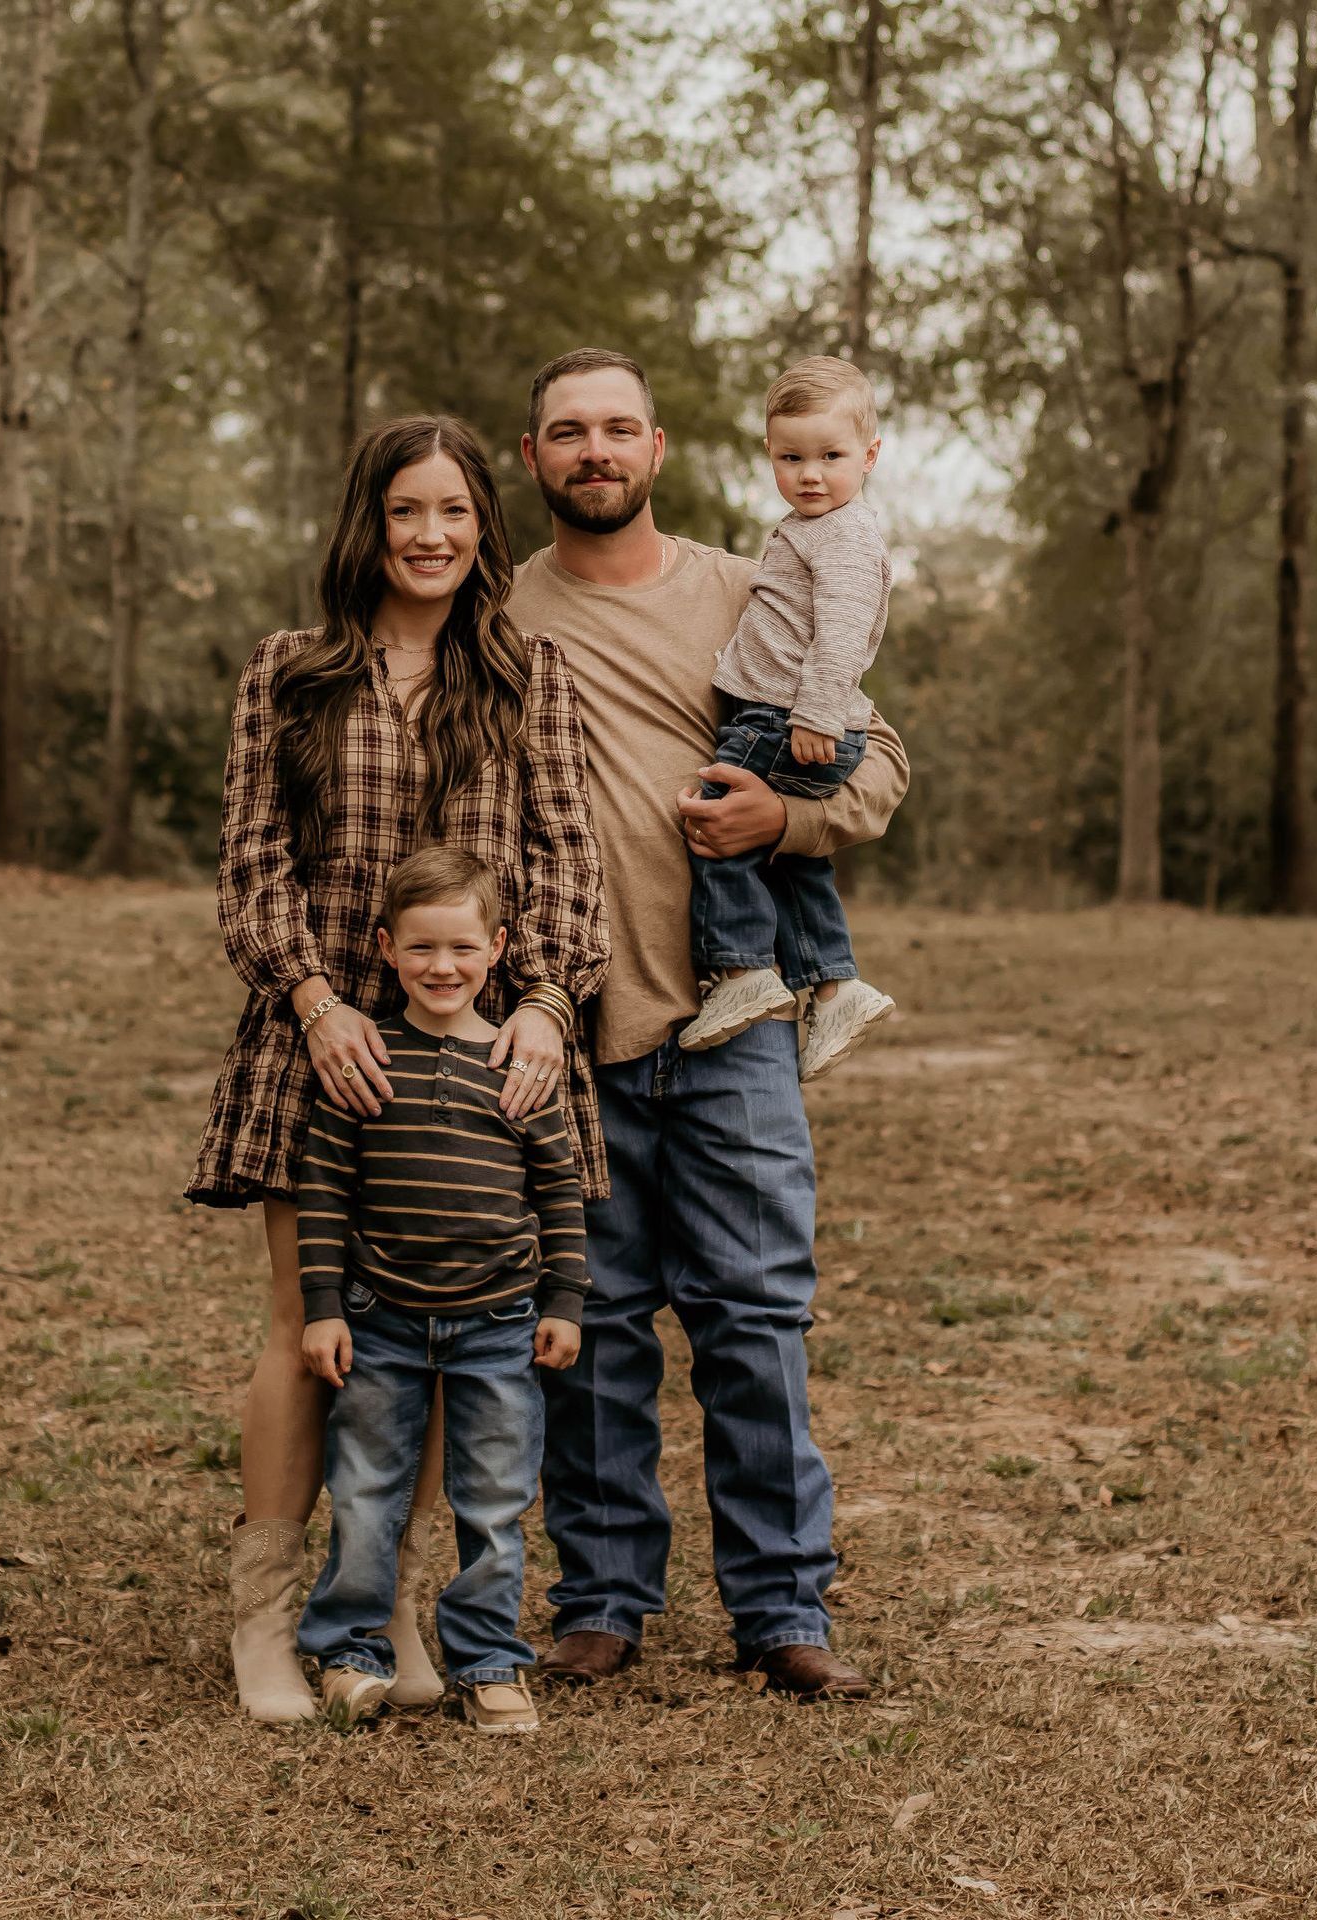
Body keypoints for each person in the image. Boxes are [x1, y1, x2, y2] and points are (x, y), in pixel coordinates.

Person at [185, 416, 609, 1724]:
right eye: (405, 511)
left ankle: (410, 1612)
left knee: (447, 1334)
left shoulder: (529, 675)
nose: (431, 536)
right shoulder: (289, 672)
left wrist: (543, 1006)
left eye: (456, 513)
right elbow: (252, 868)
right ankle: (267, 1625)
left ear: (487, 527)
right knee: (305, 1333)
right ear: (365, 525)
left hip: (486, 1062)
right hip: (327, 1052)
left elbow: (568, 866)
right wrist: (314, 1004)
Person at [507, 347, 909, 1700]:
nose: (596, 451)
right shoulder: (499, 619)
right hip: (573, 1028)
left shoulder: (753, 587)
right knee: (596, 1326)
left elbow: (881, 762)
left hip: (734, 1027)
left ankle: (784, 1613)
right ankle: (603, 1600)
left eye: (619, 429)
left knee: (753, 1323)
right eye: (570, 434)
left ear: (660, 448)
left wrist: (783, 818)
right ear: (534, 458)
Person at [295, 847, 587, 1735]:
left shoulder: (519, 1066)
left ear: (497, 948)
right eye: (421, 948)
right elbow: (323, 1190)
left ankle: (490, 1663)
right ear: (385, 948)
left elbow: (560, 1193)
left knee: (496, 1499)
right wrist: (319, 1311)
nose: (442, 967)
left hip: (499, 1321)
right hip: (379, 1319)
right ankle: (350, 1653)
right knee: (365, 1488)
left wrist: (564, 1303)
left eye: (462, 948)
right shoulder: (362, 1058)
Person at [681, 356, 897, 1081]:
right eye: (790, 457)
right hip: (780, 711)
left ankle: (740, 970)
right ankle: (835, 985)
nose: (810, 474)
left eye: (831, 457)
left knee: (718, 822)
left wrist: (816, 713)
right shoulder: (812, 529)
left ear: (868, 456)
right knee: (792, 859)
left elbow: (841, 634)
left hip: (785, 719)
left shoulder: (844, 536)